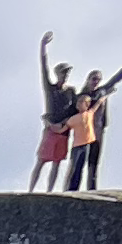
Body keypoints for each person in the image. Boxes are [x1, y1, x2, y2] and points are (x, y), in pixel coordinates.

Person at [66, 61, 122, 190]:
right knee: (79, 161)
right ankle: (72, 189)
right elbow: (71, 113)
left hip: (98, 130)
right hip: (83, 132)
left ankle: (92, 189)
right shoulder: (81, 96)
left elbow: (114, 81)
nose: (96, 82)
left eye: (98, 79)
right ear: (88, 79)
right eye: (94, 79)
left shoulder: (102, 92)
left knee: (94, 161)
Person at [30, 37, 80, 186]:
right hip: (51, 127)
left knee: (57, 162)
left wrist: (65, 124)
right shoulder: (50, 88)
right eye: (63, 73)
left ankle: (49, 191)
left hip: (63, 130)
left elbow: (75, 109)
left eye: (66, 73)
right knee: (41, 160)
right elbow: (43, 67)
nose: (65, 75)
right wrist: (43, 47)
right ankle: (30, 190)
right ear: (57, 74)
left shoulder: (71, 91)